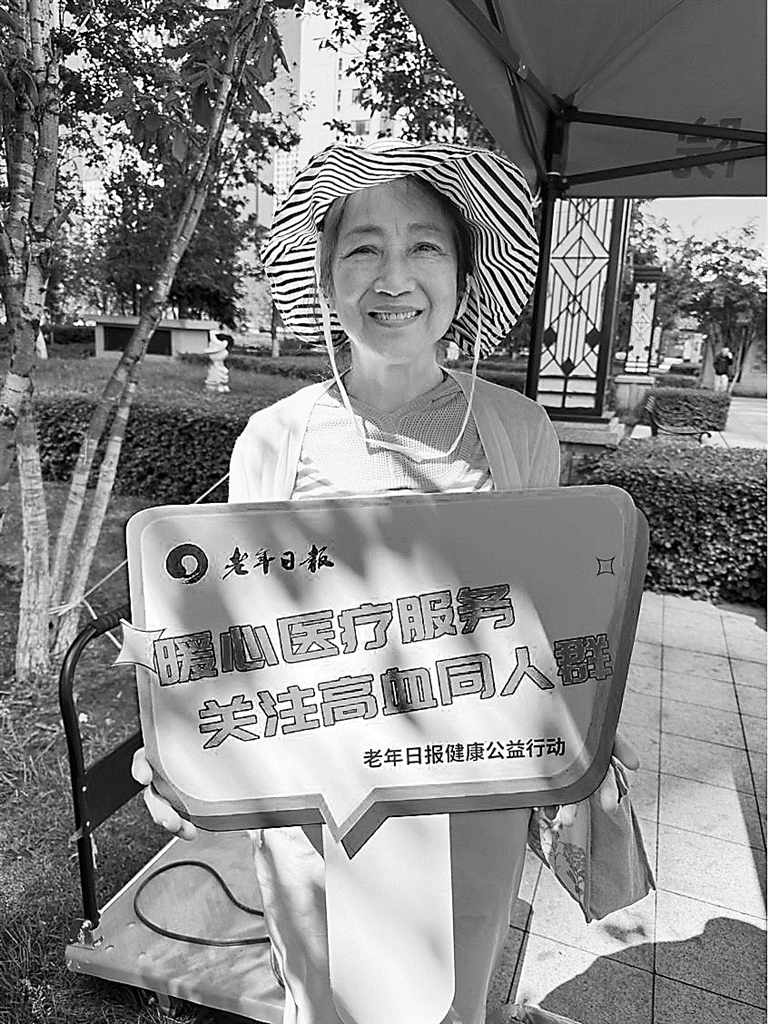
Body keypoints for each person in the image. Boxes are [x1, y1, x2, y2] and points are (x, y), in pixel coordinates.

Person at [133, 140, 641, 1024]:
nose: (393, 277)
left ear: (464, 277)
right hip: (314, 797)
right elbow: (232, 633)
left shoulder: (518, 431)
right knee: (322, 995)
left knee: (454, 996)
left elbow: (547, 613)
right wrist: (179, 735)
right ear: (327, 279)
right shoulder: (273, 439)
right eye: (362, 248)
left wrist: (586, 719)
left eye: (424, 247)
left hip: (472, 788)